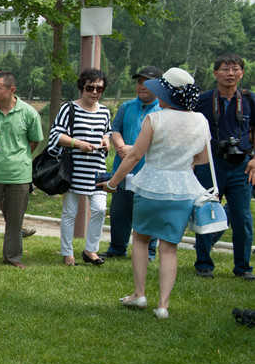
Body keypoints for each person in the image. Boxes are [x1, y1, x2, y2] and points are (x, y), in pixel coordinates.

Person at [99, 68, 210, 319]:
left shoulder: (156, 119)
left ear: (168, 95)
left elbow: (135, 155)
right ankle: (163, 305)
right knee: (169, 247)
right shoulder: (200, 120)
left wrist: (114, 183)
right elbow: (201, 158)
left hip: (151, 185)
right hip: (183, 189)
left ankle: (139, 294)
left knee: (140, 239)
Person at [193, 53, 254, 280]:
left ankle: (243, 267)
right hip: (211, 163)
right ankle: (203, 263)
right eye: (225, 69)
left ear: (242, 73)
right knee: (205, 211)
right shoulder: (203, 100)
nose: (230, 73)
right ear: (215, 73)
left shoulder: (249, 100)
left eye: (235, 69)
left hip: (242, 165)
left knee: (242, 216)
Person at [0, 71, 43, 269]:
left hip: (19, 175)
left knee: (15, 220)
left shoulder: (29, 112)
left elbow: (34, 141)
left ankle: (13, 257)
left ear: (11, 89)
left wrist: (19, 158)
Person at [48, 68, 112, 266]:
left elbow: (107, 131)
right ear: (81, 88)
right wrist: (78, 144)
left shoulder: (105, 111)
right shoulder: (69, 108)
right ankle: (67, 253)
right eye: (90, 88)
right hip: (74, 169)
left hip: (98, 168)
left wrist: (106, 140)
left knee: (100, 209)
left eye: (99, 89)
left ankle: (91, 250)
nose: (94, 92)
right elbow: (56, 135)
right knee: (70, 212)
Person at [104, 66, 162, 260]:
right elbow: (116, 129)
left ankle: (149, 251)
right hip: (124, 170)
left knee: (149, 212)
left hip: (149, 170)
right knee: (120, 211)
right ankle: (117, 248)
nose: (142, 86)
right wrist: (120, 146)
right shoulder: (127, 106)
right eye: (139, 82)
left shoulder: (163, 110)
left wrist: (134, 149)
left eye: (147, 82)